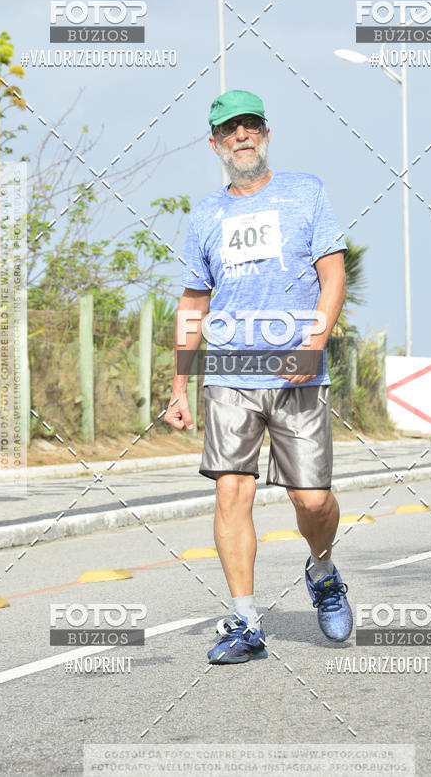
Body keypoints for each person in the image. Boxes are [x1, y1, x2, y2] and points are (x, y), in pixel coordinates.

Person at [164, 89, 352, 664]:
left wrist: (312, 345)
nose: (241, 136)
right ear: (215, 143)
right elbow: (194, 301)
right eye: (229, 130)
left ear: (265, 134)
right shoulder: (205, 213)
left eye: (251, 126)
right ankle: (245, 621)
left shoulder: (305, 192)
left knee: (312, 499)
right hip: (228, 371)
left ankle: (322, 570)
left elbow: (333, 276)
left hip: (298, 370)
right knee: (232, 490)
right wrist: (178, 384)